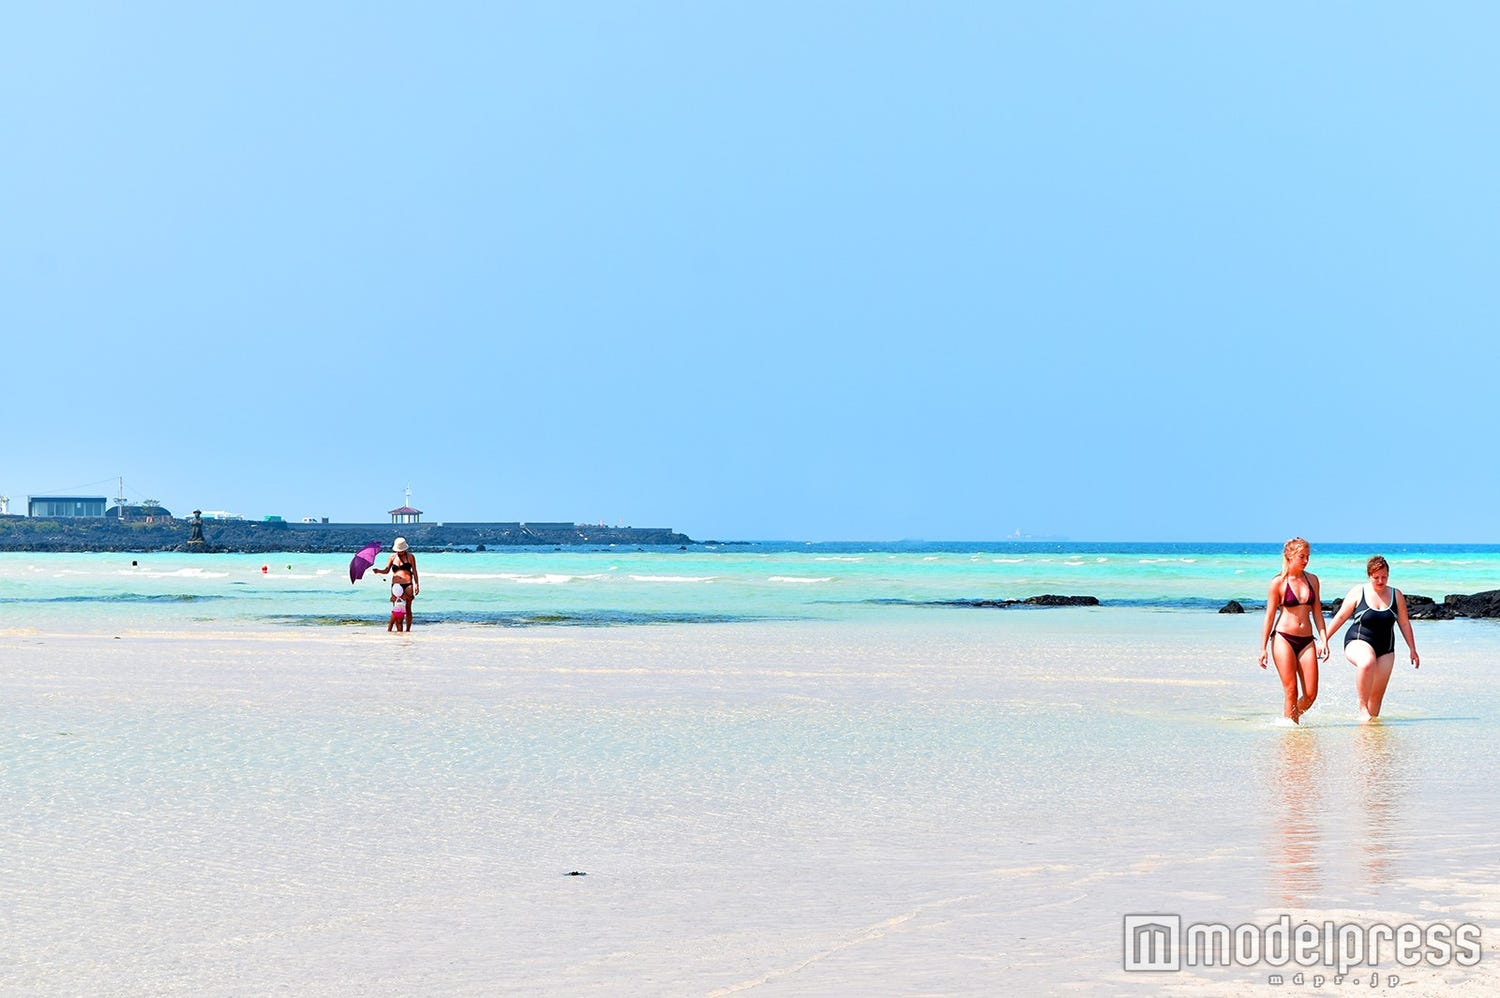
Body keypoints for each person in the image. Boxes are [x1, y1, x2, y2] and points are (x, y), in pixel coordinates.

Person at [1325, 555, 1420, 722]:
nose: (1381, 581)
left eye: (1384, 577)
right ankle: (1361, 707)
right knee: (1367, 662)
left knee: (1376, 699)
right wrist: (1324, 639)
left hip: (1386, 648)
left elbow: (1404, 624)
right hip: (1357, 640)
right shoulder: (1358, 592)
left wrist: (1413, 649)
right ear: (1369, 576)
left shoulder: (1395, 595)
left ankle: (1369, 739)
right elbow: (1340, 617)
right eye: (1376, 577)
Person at [1258, 537, 1330, 723]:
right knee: (1291, 690)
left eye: (1308, 556)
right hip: (1283, 639)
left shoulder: (1312, 580)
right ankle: (1292, 736)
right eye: (1302, 556)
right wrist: (1263, 648)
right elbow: (1269, 616)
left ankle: (1289, 720)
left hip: (1307, 640)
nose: (1306, 560)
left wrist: (1324, 640)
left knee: (1311, 695)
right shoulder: (1278, 583)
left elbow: (1318, 614)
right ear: (1290, 556)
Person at [372, 537, 419, 628]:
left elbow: (415, 571)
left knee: (408, 609)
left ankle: (408, 631)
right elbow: (386, 570)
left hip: (408, 584)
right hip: (396, 586)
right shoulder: (392, 557)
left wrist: (417, 584)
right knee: (397, 610)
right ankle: (399, 632)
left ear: (405, 549)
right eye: (398, 550)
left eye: (401, 550)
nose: (400, 552)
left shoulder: (410, 556)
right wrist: (378, 571)